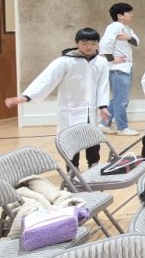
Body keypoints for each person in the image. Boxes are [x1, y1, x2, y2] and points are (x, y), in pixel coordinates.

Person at [5, 27, 109, 169]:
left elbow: (103, 85)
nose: (89, 47)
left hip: (90, 109)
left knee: (92, 139)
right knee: (72, 140)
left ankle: (94, 165)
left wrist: (103, 106)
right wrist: (26, 96)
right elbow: (47, 79)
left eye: (93, 43)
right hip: (70, 109)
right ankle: (72, 170)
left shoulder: (101, 62)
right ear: (76, 43)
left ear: (98, 44)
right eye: (84, 43)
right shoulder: (64, 61)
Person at [98, 2, 139, 136]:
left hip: (125, 67)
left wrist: (128, 37)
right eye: (129, 13)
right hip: (118, 68)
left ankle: (104, 124)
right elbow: (104, 44)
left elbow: (136, 42)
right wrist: (111, 59)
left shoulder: (127, 29)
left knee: (118, 99)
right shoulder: (114, 26)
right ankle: (122, 128)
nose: (132, 15)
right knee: (121, 100)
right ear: (120, 15)